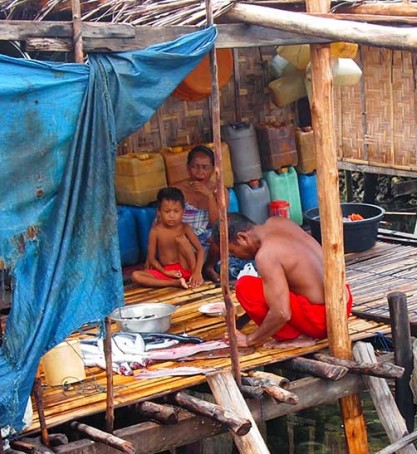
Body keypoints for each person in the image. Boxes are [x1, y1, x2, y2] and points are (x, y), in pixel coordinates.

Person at [216, 213, 352, 348]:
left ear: (242, 238)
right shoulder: (278, 222)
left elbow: (281, 313)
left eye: (233, 252)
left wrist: (250, 340)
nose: (237, 258)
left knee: (245, 287)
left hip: (323, 321)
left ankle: (298, 337)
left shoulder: (266, 255)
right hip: (343, 303)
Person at [171, 144, 243, 283]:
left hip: (208, 242)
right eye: (195, 166)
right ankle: (195, 271)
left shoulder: (219, 191)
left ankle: (208, 267)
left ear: (213, 169)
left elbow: (215, 223)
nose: (199, 173)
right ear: (187, 167)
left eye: (205, 167)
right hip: (184, 240)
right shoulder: (177, 189)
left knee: (221, 235)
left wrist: (209, 196)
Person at [130, 187, 205, 289]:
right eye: (167, 211)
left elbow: (200, 249)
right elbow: (152, 259)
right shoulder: (155, 231)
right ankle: (175, 283)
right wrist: (166, 272)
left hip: (186, 269)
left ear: (183, 212)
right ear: (159, 212)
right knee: (136, 276)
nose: (172, 215)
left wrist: (197, 271)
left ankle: (193, 278)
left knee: (181, 239)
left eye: (176, 211)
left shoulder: (185, 228)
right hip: (167, 272)